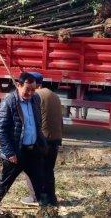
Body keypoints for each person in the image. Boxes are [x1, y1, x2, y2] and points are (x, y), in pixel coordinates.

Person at [0, 72, 49, 206]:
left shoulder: (35, 99)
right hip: (16, 153)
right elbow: (1, 130)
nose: (30, 93)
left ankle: (47, 211)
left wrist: (42, 144)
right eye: (27, 89)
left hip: (33, 151)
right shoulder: (9, 102)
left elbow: (37, 125)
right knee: (3, 185)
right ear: (18, 85)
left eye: (33, 90)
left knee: (40, 184)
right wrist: (9, 152)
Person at [21, 72, 64, 207]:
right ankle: (51, 199)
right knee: (48, 170)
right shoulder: (55, 96)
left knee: (31, 168)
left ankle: (35, 198)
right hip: (56, 139)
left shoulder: (36, 96)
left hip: (42, 140)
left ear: (34, 84)